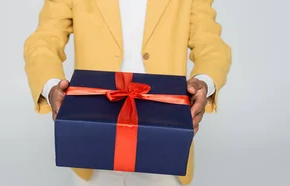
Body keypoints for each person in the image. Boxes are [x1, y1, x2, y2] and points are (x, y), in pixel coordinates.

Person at [23, 0, 231, 185]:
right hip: (91, 149)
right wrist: (51, 85)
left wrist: (204, 81)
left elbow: (211, 45)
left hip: (165, 146)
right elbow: (44, 41)